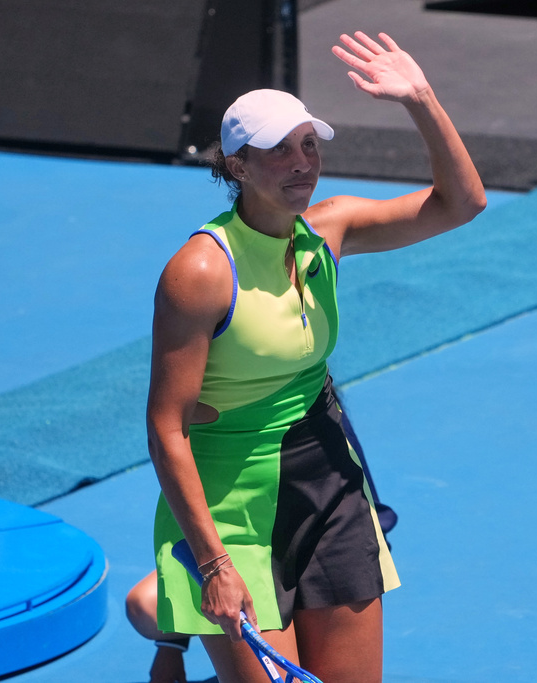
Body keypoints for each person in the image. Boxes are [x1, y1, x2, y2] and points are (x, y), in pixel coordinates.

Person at [146, 30, 485, 683]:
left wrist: (421, 99)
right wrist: (214, 563)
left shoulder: (330, 230)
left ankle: (165, 621)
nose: (303, 163)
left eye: (309, 145)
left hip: (328, 480)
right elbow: (166, 427)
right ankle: (165, 607)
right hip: (232, 500)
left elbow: (462, 203)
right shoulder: (200, 272)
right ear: (237, 166)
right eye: (279, 151)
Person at [127, 398, 398, 683]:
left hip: (319, 560)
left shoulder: (321, 415)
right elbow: (167, 430)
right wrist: (171, 645)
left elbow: (369, 522)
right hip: (245, 552)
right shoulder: (216, 420)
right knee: (142, 605)